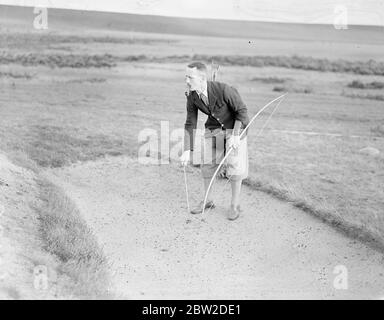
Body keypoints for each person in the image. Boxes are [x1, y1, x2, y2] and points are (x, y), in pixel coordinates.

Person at [180, 62, 250, 221]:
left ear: (202, 78)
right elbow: (190, 122)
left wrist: (236, 134)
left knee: (234, 167)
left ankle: (234, 205)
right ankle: (208, 201)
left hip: (235, 130)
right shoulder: (191, 95)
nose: (187, 81)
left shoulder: (224, 90)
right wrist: (186, 150)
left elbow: (242, 111)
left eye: (190, 77)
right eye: (186, 77)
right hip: (213, 130)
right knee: (207, 165)